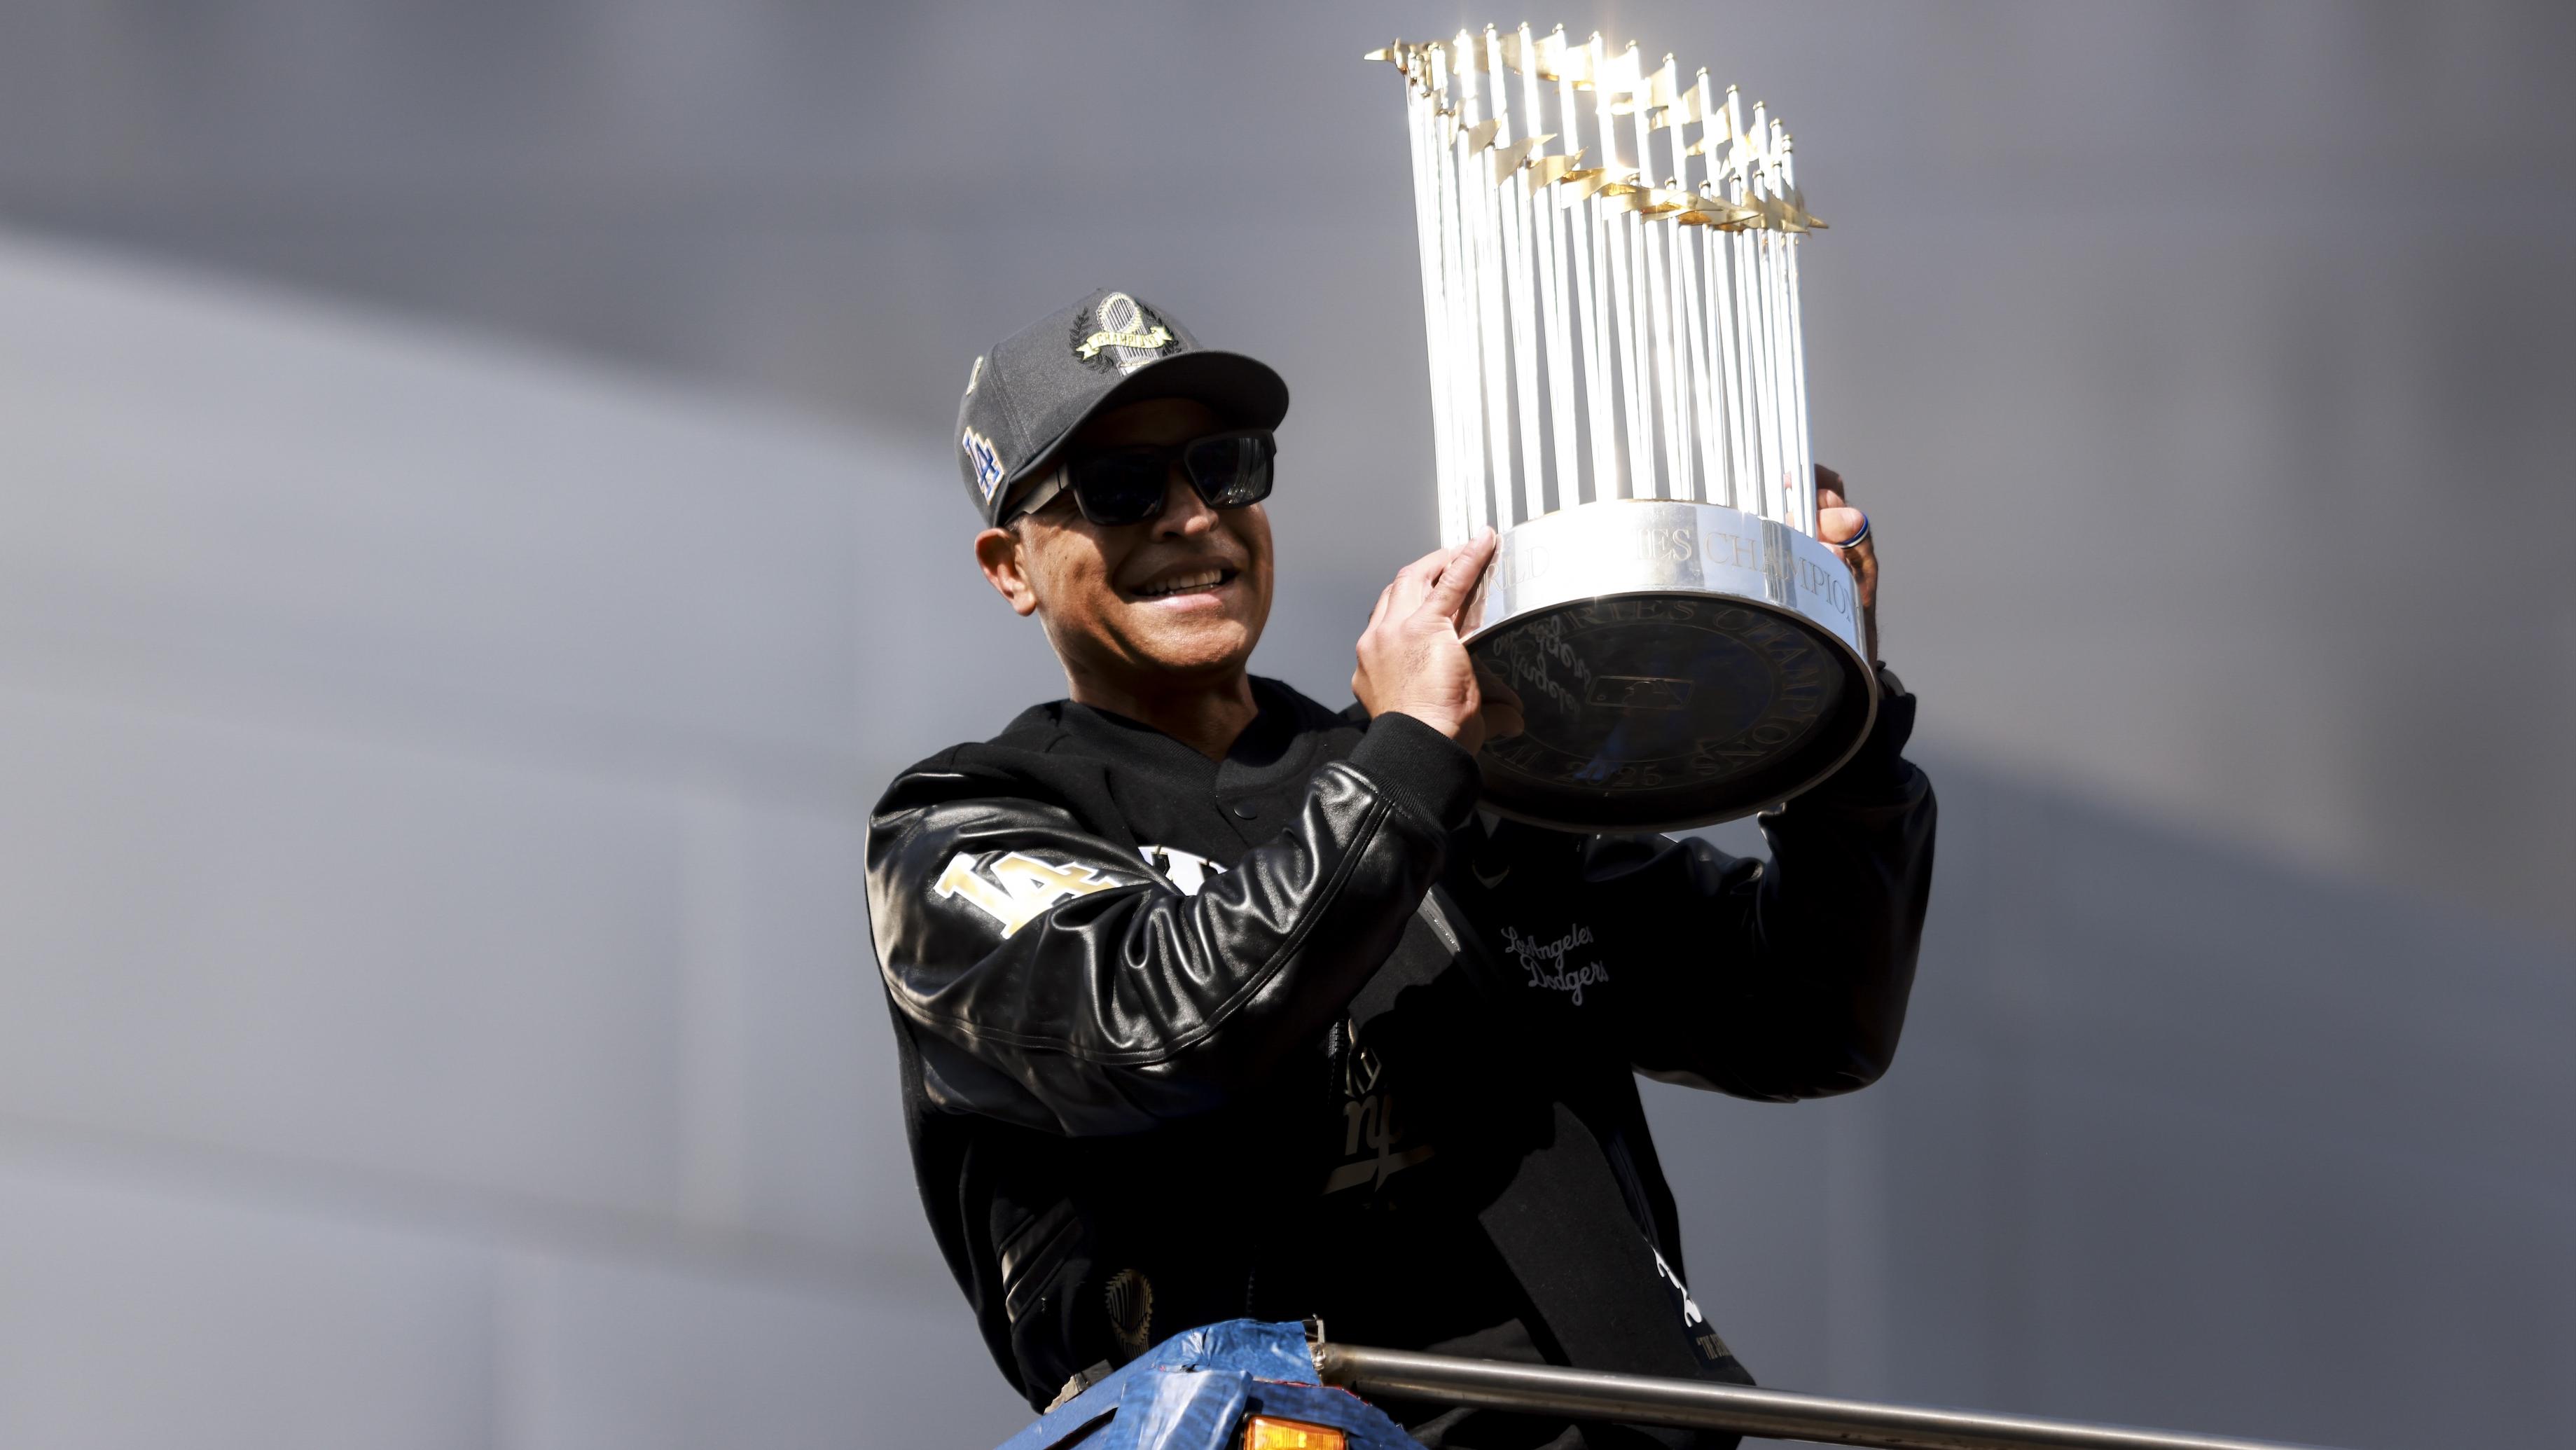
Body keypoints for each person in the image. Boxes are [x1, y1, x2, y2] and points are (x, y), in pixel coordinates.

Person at [866, 288, 1936, 1448]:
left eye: (1223, 468)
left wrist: (1842, 717)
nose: (1189, 518)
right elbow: (1164, 1027)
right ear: (1008, 564)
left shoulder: (1452, 787)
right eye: (1121, 489)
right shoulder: (963, 824)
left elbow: (1809, 1017)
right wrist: (1411, 759)